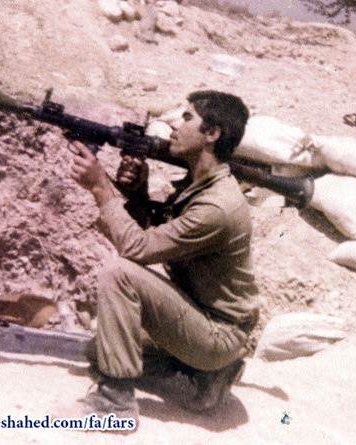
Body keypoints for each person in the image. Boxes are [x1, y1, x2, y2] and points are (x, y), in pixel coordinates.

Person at [68, 90, 258, 428]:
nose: (175, 126)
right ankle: (207, 373)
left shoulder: (218, 206)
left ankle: (115, 403)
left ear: (212, 133)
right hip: (198, 317)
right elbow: (153, 236)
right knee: (98, 352)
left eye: (187, 118)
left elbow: (136, 248)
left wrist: (100, 187)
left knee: (120, 273)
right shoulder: (197, 185)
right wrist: (137, 193)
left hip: (218, 332)